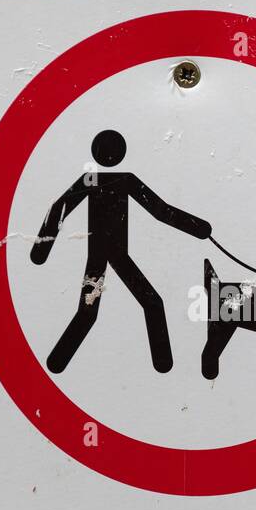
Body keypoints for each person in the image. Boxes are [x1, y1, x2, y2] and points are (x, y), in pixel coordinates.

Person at [30, 129, 211, 373]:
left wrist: (41, 250)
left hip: (107, 255)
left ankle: (58, 362)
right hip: (113, 255)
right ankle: (162, 364)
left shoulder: (95, 179)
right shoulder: (113, 179)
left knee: (91, 312)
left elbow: (59, 208)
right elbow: (162, 212)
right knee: (150, 304)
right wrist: (199, 228)